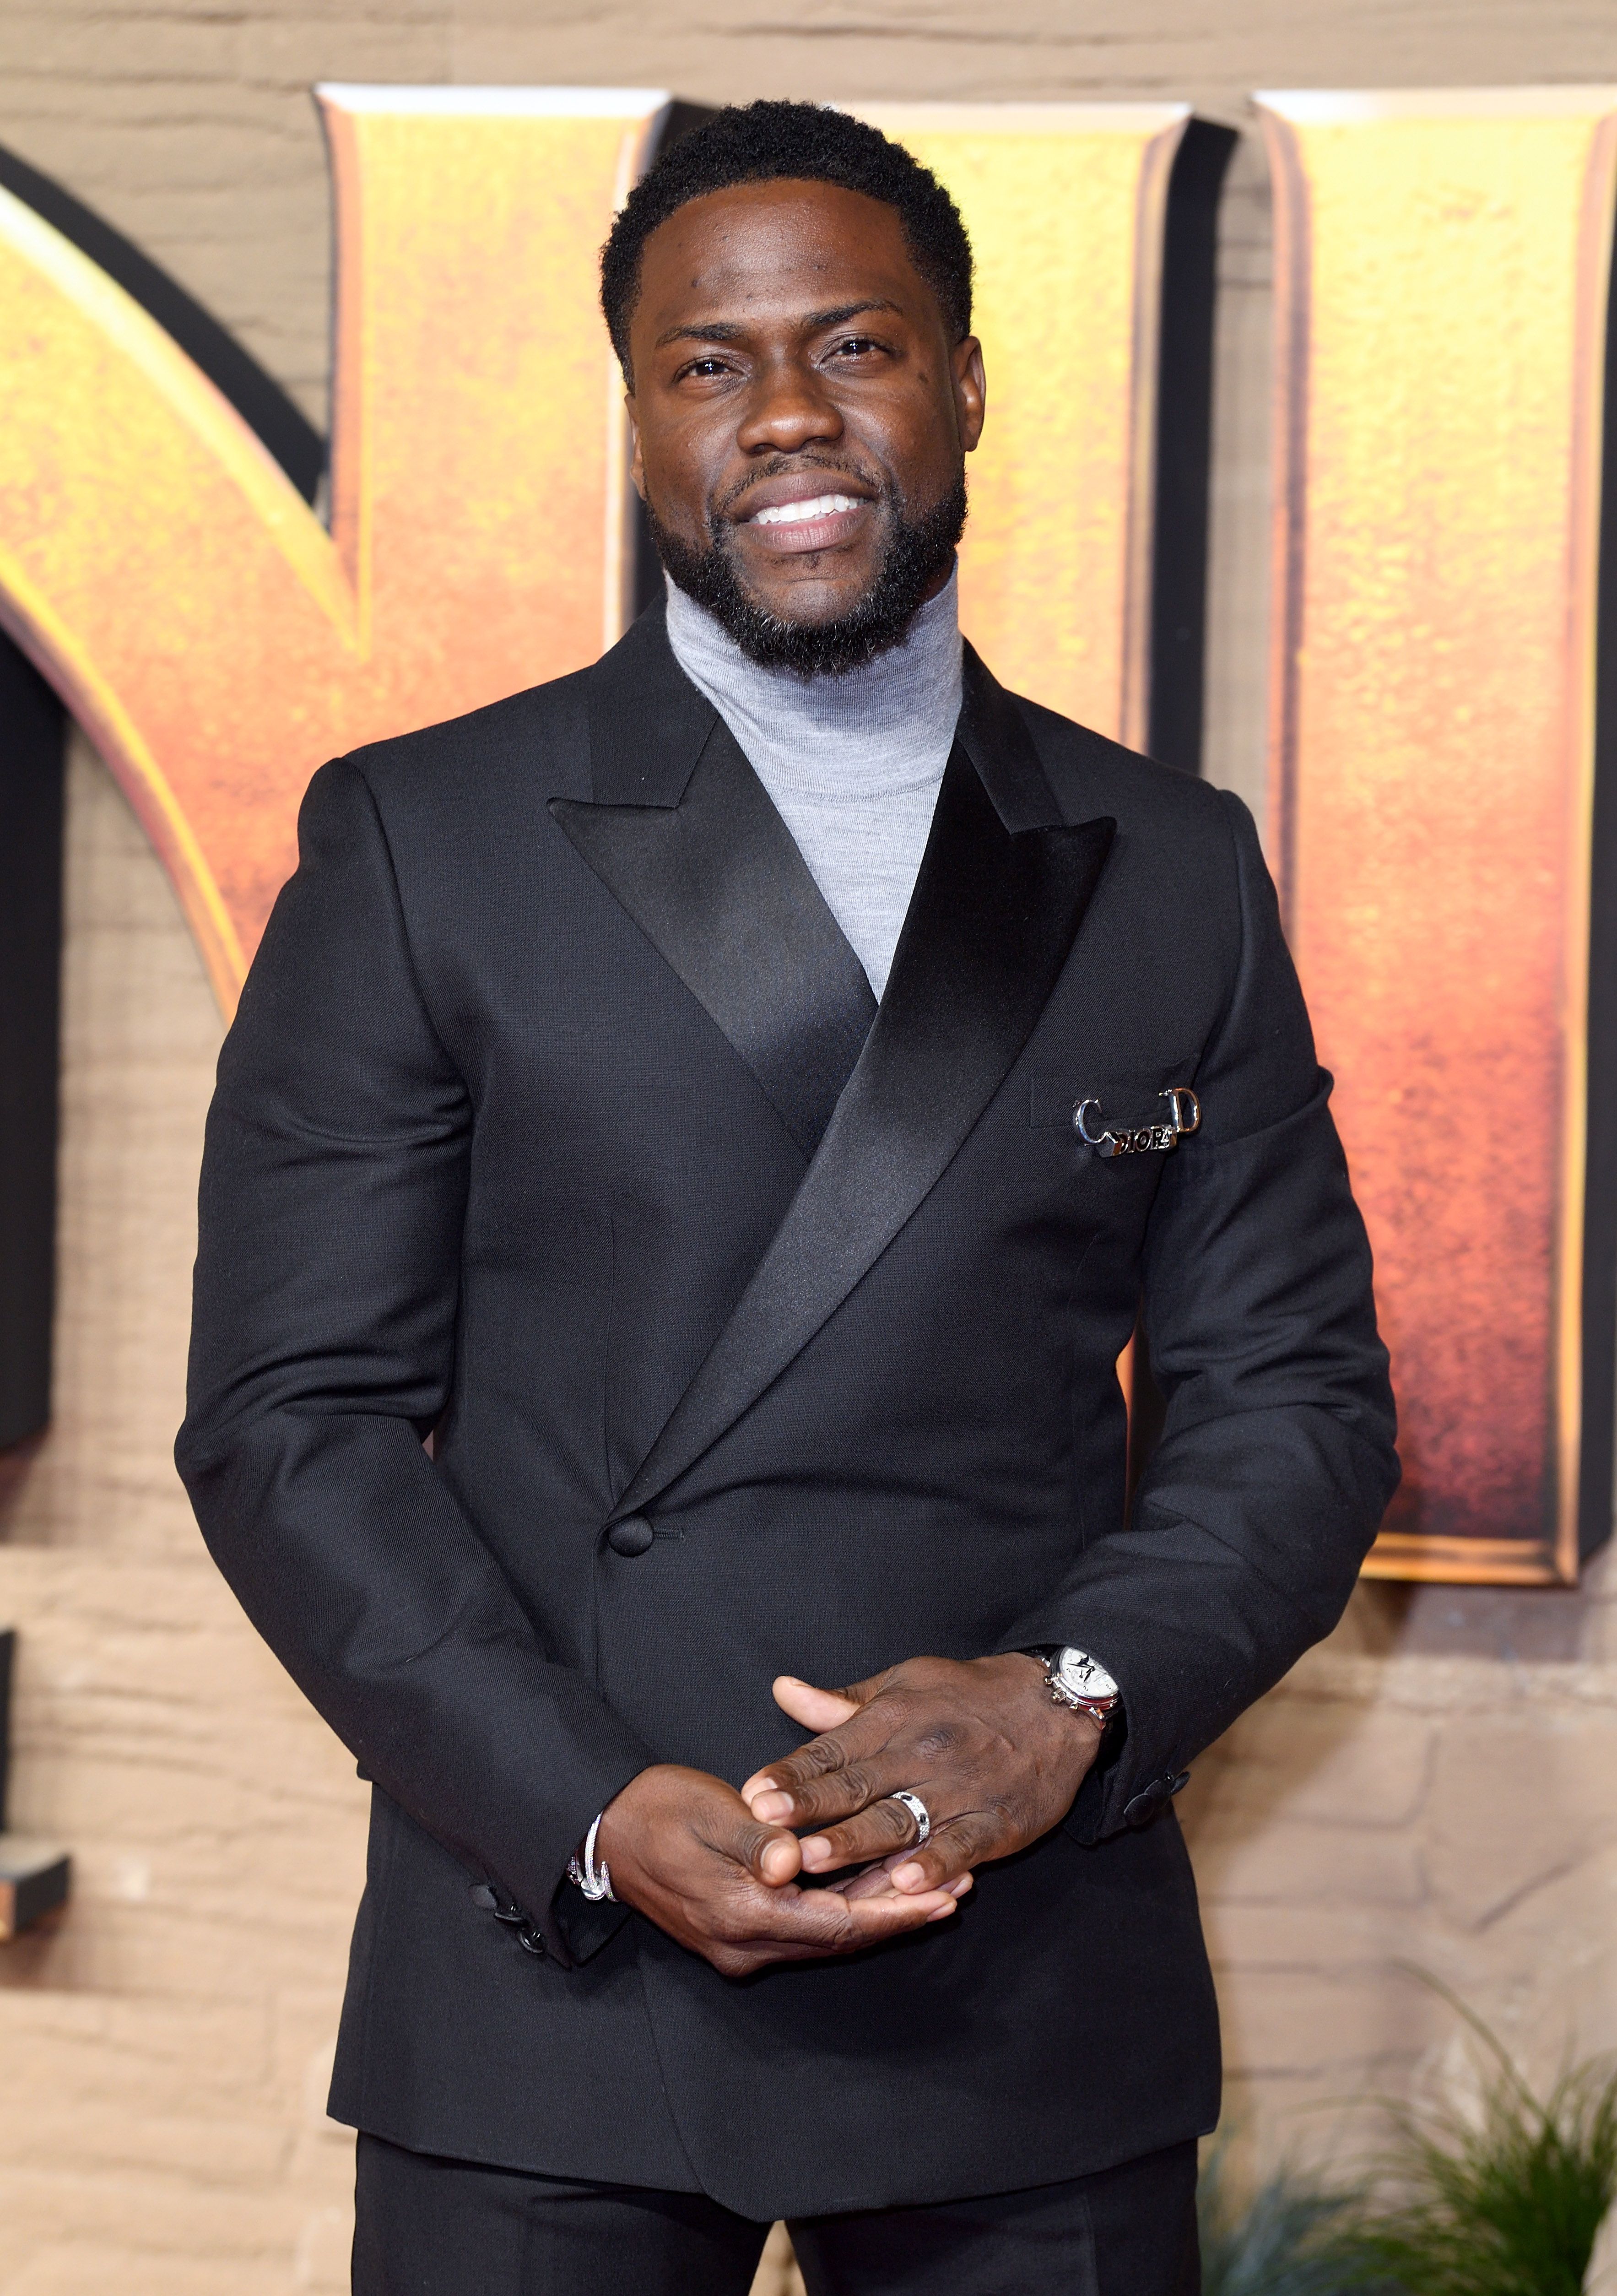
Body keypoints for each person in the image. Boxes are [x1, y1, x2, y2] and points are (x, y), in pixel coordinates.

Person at [177, 99, 1397, 2296]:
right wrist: (583, 1800)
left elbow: (1288, 1402)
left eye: (854, 345)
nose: (786, 419)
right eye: (707, 363)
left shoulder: (1171, 865)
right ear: (637, 412)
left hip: (1018, 1959)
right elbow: (293, 1425)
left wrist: (1075, 1696)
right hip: (548, 1962)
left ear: (961, 383)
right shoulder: (424, 838)